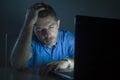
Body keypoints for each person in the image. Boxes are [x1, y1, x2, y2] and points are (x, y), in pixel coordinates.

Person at [10, 2, 74, 74]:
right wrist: (28, 22)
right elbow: (17, 65)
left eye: (51, 27)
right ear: (33, 30)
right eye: (39, 30)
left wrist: (67, 62)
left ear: (58, 24)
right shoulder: (29, 41)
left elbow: (84, 59)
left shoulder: (67, 38)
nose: (47, 34)